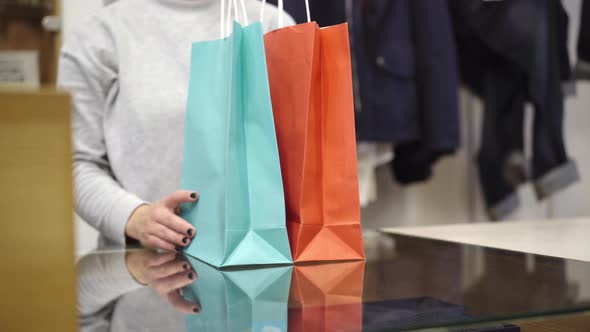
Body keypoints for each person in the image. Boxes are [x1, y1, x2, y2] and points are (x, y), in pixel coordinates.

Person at [58, 0, 294, 251]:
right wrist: (135, 216)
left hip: (260, 258)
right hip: (145, 264)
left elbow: (296, 154)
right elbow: (75, 163)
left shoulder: (272, 24)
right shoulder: (98, 35)